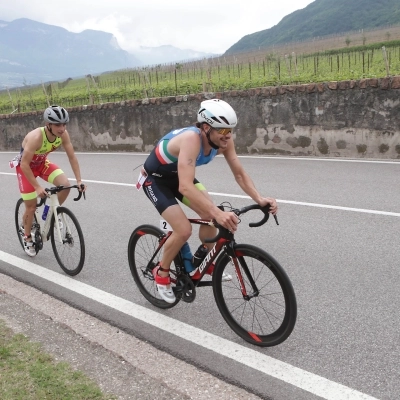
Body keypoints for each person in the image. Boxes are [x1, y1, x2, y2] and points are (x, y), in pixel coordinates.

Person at [137, 99, 278, 303]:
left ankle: (203, 259)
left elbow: (239, 173)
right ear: (206, 128)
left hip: (178, 176)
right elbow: (185, 186)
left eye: (230, 129)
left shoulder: (224, 142)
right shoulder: (191, 140)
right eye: (222, 130)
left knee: (210, 215)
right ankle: (162, 271)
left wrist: (260, 199)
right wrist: (218, 214)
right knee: (184, 229)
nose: (227, 135)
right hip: (156, 180)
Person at [11, 105, 86, 257]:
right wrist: (37, 187)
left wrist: (79, 180)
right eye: (58, 124)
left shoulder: (63, 135)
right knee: (31, 207)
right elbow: (25, 164)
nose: (62, 128)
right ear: (48, 124)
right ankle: (27, 237)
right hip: (25, 168)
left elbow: (72, 157)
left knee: (65, 185)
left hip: (41, 164)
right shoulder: (36, 137)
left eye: (64, 124)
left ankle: (51, 213)